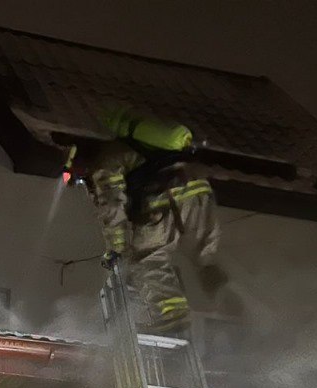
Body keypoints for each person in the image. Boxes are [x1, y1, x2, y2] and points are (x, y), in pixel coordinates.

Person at [63, 106, 223, 331]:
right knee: (205, 258)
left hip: (162, 197)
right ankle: (229, 297)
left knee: (146, 258)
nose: (81, 182)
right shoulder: (132, 146)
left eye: (78, 178)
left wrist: (117, 249)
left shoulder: (105, 162)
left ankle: (172, 314)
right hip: (200, 191)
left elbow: (112, 206)